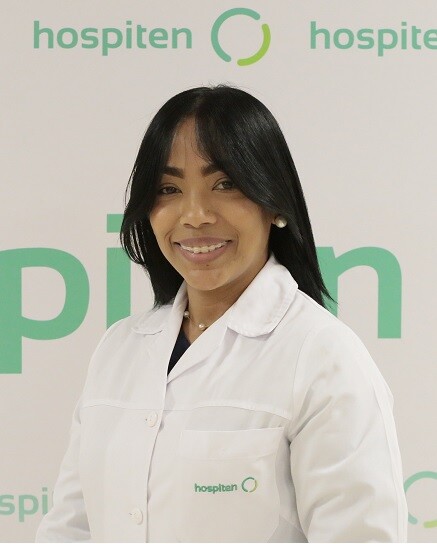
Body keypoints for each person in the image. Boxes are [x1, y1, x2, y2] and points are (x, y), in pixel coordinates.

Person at [36, 84, 408, 543]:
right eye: (169, 189)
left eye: (225, 184)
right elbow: (70, 527)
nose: (194, 215)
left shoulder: (322, 357)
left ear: (274, 202)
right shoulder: (120, 348)